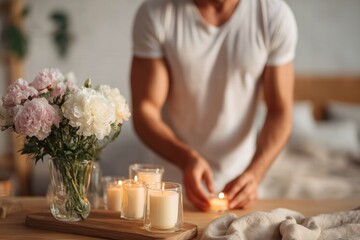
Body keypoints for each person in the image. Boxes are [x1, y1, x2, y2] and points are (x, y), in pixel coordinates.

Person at [130, 0, 297, 211]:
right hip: (170, 189)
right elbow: (145, 110)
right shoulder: (156, 13)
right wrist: (186, 159)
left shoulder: (272, 15)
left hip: (242, 184)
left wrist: (255, 173)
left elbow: (280, 112)